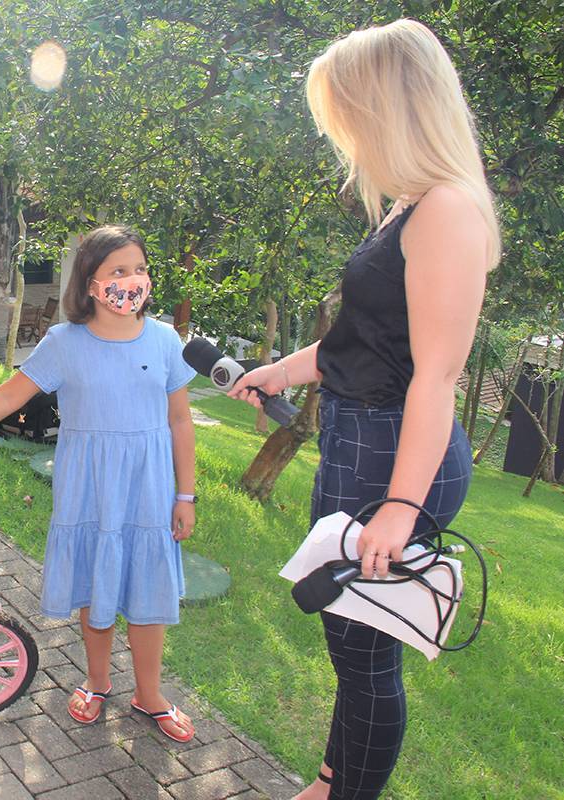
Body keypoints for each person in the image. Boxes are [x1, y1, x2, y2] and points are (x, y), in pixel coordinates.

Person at [228, 19, 499, 800]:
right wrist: (279, 370)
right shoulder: (410, 205)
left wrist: (400, 509)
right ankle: (328, 780)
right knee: (349, 640)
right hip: (361, 439)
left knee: (362, 650)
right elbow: (365, 340)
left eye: (345, 111)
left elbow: (434, 377)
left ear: (388, 107)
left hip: (392, 455)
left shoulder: (446, 209)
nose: (340, 132)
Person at [0, 224, 199, 742]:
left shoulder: (166, 339)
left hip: (149, 486)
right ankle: (98, 682)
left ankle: (150, 696)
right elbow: (6, 398)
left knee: (149, 591)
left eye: (140, 269)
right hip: (89, 485)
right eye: (119, 271)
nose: (133, 280)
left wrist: (186, 494)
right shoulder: (66, 343)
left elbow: (180, 421)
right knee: (95, 584)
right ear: (90, 283)